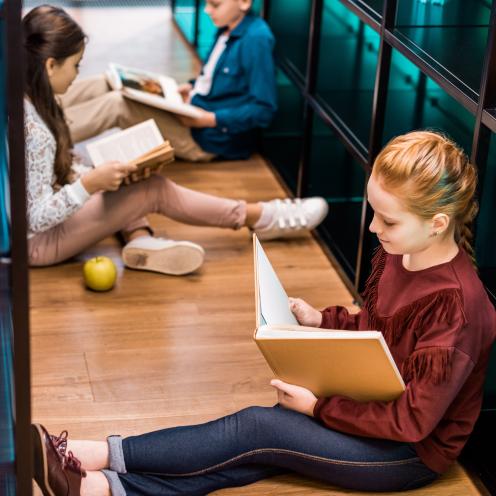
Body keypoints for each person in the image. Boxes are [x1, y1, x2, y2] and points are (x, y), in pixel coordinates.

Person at [31, 130, 496, 495]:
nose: (373, 227)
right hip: (375, 408)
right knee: (258, 446)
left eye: (387, 220)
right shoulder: (404, 250)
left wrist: (319, 407)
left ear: (438, 224)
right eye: (374, 212)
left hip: (409, 453)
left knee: (262, 428)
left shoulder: (458, 308)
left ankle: (95, 455)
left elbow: (414, 422)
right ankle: (102, 487)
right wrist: (323, 320)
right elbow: (376, 328)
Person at [24, 5, 327, 275]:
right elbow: (37, 218)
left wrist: (88, 177)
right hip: (40, 241)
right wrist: (89, 183)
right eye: (75, 65)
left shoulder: (26, 99)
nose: (78, 73)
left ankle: (140, 238)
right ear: (50, 65)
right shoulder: (37, 132)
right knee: (151, 188)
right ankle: (263, 217)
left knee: (121, 176)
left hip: (39, 228)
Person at [60, 0, 277, 162]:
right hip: (190, 110)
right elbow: (214, 79)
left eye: (215, 4)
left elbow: (264, 109)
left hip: (206, 138)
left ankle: (46, 140)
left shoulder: (256, 39)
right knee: (107, 81)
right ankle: (40, 112)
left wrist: (210, 119)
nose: (207, 10)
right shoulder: (227, 27)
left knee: (118, 104)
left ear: (244, 2)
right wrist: (191, 88)